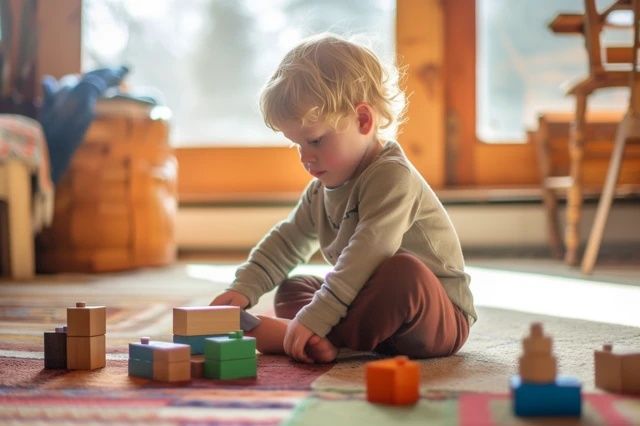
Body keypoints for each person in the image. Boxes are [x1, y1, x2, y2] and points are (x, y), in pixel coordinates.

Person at [211, 33, 476, 363]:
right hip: (374, 314)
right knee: (294, 289)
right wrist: (243, 288)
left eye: (316, 141)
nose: (305, 157)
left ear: (363, 120)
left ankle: (309, 335)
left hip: (434, 318)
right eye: (298, 145)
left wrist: (318, 315)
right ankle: (327, 336)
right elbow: (289, 240)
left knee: (402, 273)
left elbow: (369, 251)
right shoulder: (322, 190)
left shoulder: (392, 175)